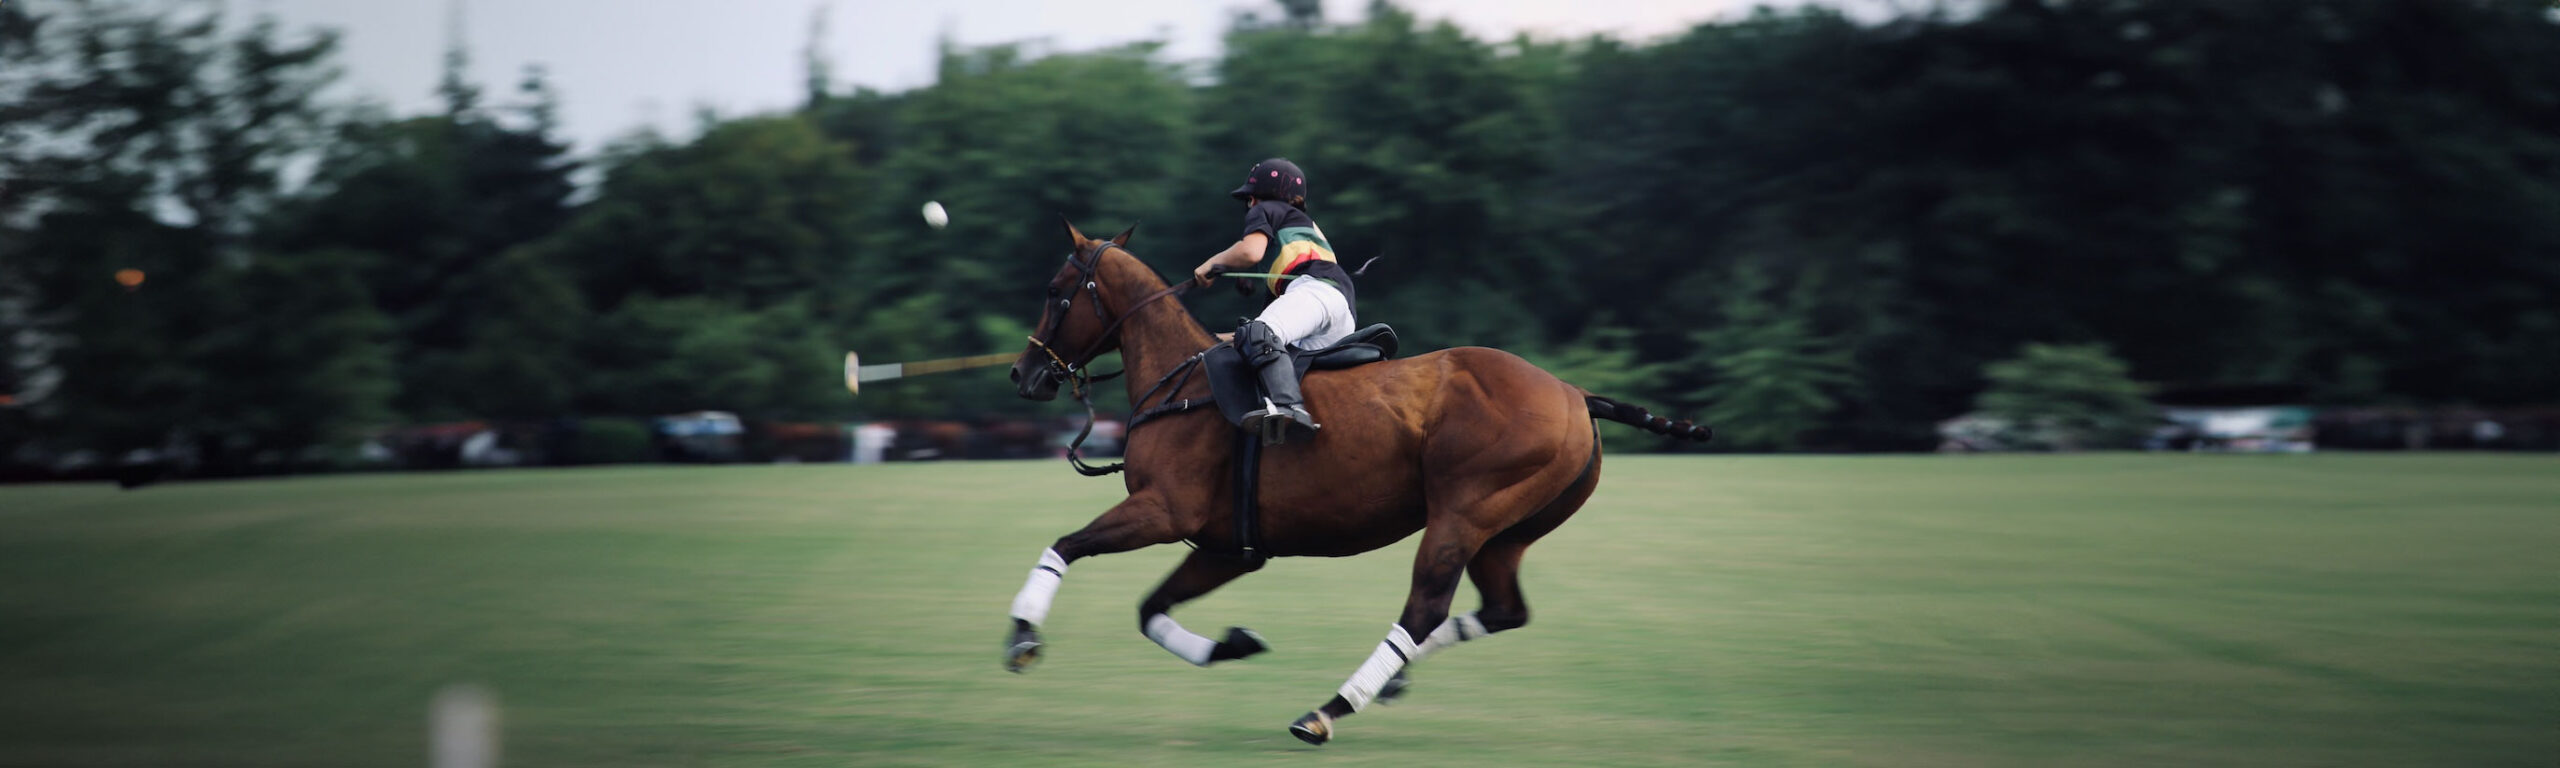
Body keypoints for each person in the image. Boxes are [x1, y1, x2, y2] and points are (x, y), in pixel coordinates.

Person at [1191, 158, 1358, 442]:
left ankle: (1288, 407)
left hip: (1315, 292)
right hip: (1342, 312)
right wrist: (1211, 341)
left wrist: (1212, 264)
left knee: (1260, 333)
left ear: (1256, 198)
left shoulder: (1265, 209)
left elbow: (1251, 252)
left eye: (1249, 199)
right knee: (1260, 339)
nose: (1249, 205)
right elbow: (1260, 339)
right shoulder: (1309, 232)